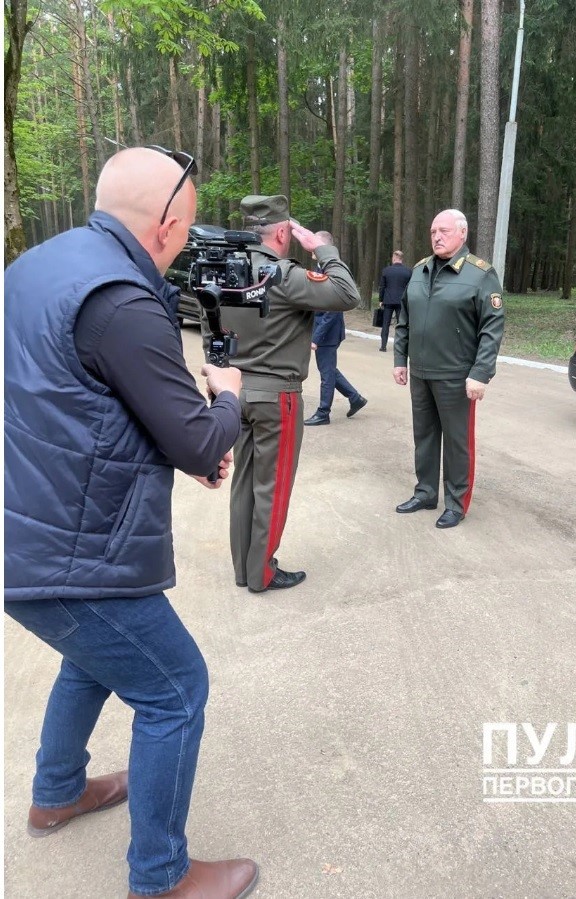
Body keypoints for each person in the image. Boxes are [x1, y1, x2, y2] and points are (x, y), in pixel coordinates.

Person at [4, 147, 259, 899]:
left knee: (92, 658)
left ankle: (56, 791)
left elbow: (80, 395)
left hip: (29, 533)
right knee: (176, 688)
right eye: (188, 225)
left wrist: (189, 433)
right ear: (169, 224)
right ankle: (161, 877)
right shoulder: (122, 299)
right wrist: (228, 397)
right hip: (74, 549)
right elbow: (196, 437)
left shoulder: (36, 265)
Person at [203, 196, 361, 593]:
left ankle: (244, 568)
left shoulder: (223, 271)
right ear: (280, 232)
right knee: (272, 486)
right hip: (277, 397)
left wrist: (218, 383)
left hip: (234, 391)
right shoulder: (281, 274)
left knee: (244, 482)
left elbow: (210, 332)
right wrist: (322, 249)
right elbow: (347, 294)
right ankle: (262, 573)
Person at [393, 209, 504, 529]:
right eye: (432, 232)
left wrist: (480, 374)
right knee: (424, 436)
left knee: (457, 442)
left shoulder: (480, 274)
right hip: (421, 372)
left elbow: (492, 328)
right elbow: (405, 320)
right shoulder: (420, 270)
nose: (437, 237)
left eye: (444, 231)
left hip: (457, 376)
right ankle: (426, 492)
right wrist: (401, 360)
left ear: (462, 233)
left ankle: (456, 502)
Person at [304, 231, 367, 426]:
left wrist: (316, 338)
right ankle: (355, 397)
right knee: (329, 369)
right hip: (323, 330)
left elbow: (332, 310)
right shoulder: (321, 266)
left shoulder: (332, 269)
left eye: (315, 243)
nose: (311, 246)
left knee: (326, 373)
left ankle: (323, 412)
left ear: (323, 246)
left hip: (327, 332)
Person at [378, 249, 412, 352]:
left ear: (394, 258)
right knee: (401, 325)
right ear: (402, 259)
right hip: (401, 301)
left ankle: (383, 346)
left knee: (386, 324)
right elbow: (410, 287)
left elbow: (382, 287)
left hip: (388, 300)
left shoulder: (386, 270)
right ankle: (402, 348)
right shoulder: (408, 272)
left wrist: (381, 299)